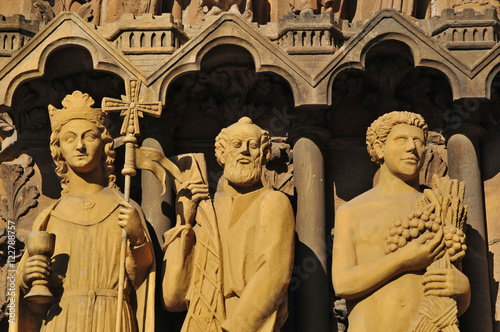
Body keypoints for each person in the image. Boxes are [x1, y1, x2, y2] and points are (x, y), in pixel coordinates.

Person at [11, 91, 155, 332]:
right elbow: (33, 307)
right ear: (58, 150)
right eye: (69, 139)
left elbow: (140, 281)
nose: (79, 145)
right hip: (63, 319)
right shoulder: (49, 217)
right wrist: (27, 280)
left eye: (89, 136)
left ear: (105, 143)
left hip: (111, 318)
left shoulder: (125, 208)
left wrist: (138, 240)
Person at [331, 111, 470, 331]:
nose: (411, 148)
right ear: (379, 148)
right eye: (401, 140)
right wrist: (404, 259)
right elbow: (343, 283)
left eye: (418, 142)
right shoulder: (352, 210)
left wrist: (463, 290)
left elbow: (448, 288)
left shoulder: (438, 206)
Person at [162, 117, 295, 332]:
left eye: (252, 146)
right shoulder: (208, 213)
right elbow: (173, 298)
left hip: (245, 322)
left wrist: (236, 327)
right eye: (237, 145)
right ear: (222, 154)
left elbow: (273, 275)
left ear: (264, 155)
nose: (244, 151)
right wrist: (184, 223)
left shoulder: (273, 202)